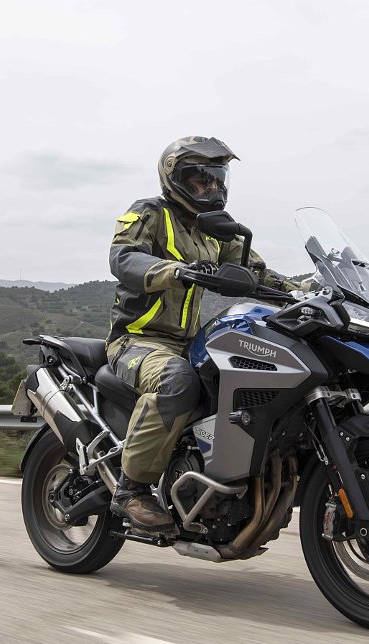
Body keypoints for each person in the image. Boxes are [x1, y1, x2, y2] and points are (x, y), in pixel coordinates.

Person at [106, 136, 300, 536]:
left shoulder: (217, 229)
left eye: (215, 178)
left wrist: (300, 291)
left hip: (189, 342)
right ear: (174, 178)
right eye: (199, 179)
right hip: (137, 341)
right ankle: (132, 490)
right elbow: (124, 257)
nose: (210, 187)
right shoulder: (149, 212)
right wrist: (174, 270)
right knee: (178, 379)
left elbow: (254, 271)